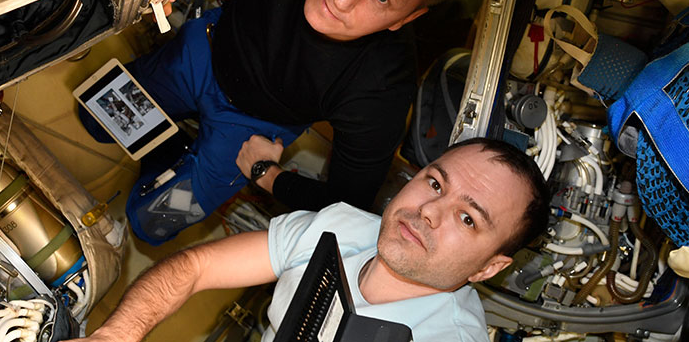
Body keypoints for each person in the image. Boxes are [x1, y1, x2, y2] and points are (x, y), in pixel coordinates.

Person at [78, 0, 486, 244]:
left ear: (404, 20)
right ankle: (171, 140)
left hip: (250, 135)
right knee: (94, 119)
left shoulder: (382, 89)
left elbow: (348, 202)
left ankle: (181, 153)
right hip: (202, 56)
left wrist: (267, 174)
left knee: (154, 221)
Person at [73, 138, 551, 342]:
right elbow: (195, 268)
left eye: (467, 219)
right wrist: (119, 333)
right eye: (434, 183)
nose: (428, 212)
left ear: (489, 268)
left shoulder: (447, 338)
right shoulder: (339, 226)